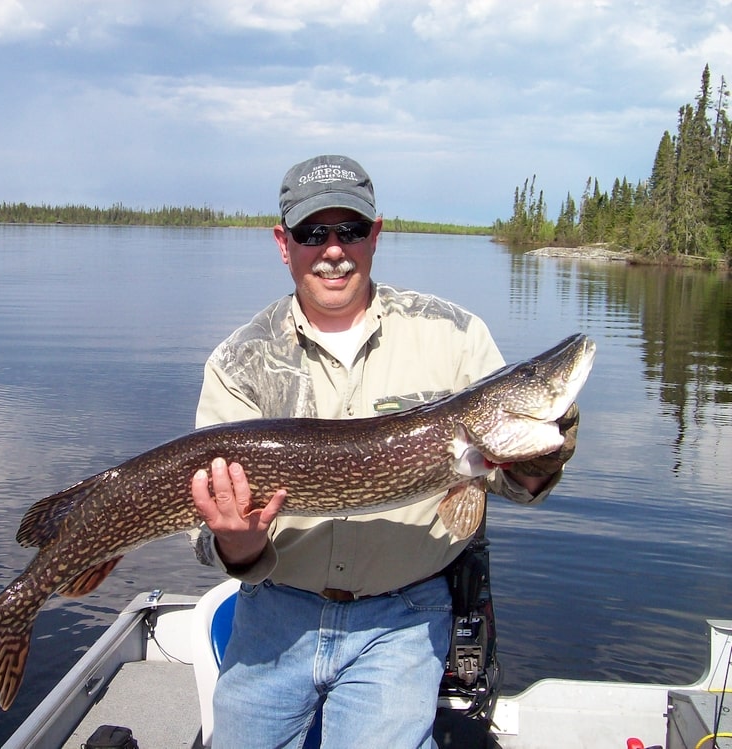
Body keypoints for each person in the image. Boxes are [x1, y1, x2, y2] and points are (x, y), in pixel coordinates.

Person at [189, 155, 580, 749]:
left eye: (350, 230)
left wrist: (545, 450)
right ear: (283, 242)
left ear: (375, 234)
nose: (333, 250)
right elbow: (202, 529)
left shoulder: (454, 335)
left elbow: (513, 480)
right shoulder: (241, 361)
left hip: (402, 621)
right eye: (312, 233)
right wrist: (235, 543)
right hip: (273, 614)